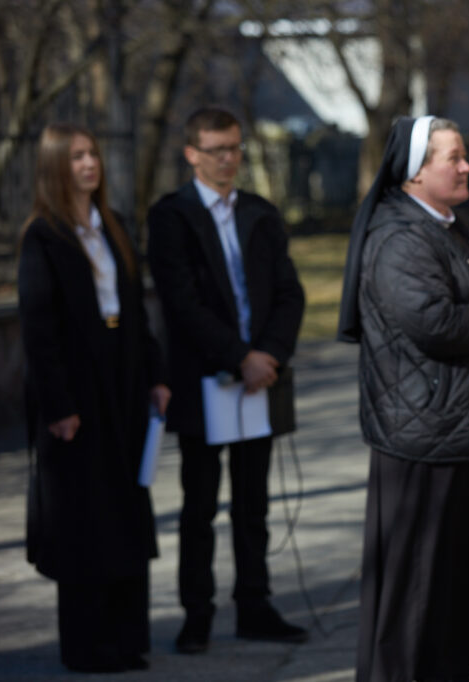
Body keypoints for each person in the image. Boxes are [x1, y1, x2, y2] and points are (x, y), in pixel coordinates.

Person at [338, 116, 469, 682]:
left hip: (464, 424)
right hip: (425, 432)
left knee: (457, 577)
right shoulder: (398, 234)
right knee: (416, 584)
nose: (466, 166)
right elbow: (430, 320)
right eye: (452, 157)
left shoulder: (449, 223)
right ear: (414, 173)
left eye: (463, 155)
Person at [146, 107, 306, 654]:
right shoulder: (172, 217)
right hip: (204, 381)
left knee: (254, 503)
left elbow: (290, 292)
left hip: (259, 379)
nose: (227, 159)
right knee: (199, 506)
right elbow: (182, 304)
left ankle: (255, 606)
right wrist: (240, 356)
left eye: (234, 147)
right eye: (215, 149)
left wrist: (271, 355)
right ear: (191, 152)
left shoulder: (258, 212)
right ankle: (197, 614)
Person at [17, 123, 170, 672]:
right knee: (86, 519)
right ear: (58, 167)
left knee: (126, 510)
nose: (89, 164)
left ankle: (128, 638)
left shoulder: (115, 226)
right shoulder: (44, 236)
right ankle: (88, 645)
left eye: (93, 154)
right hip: (78, 394)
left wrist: (156, 374)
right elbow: (39, 330)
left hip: (124, 382)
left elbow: (136, 310)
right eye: (77, 156)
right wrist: (59, 407)